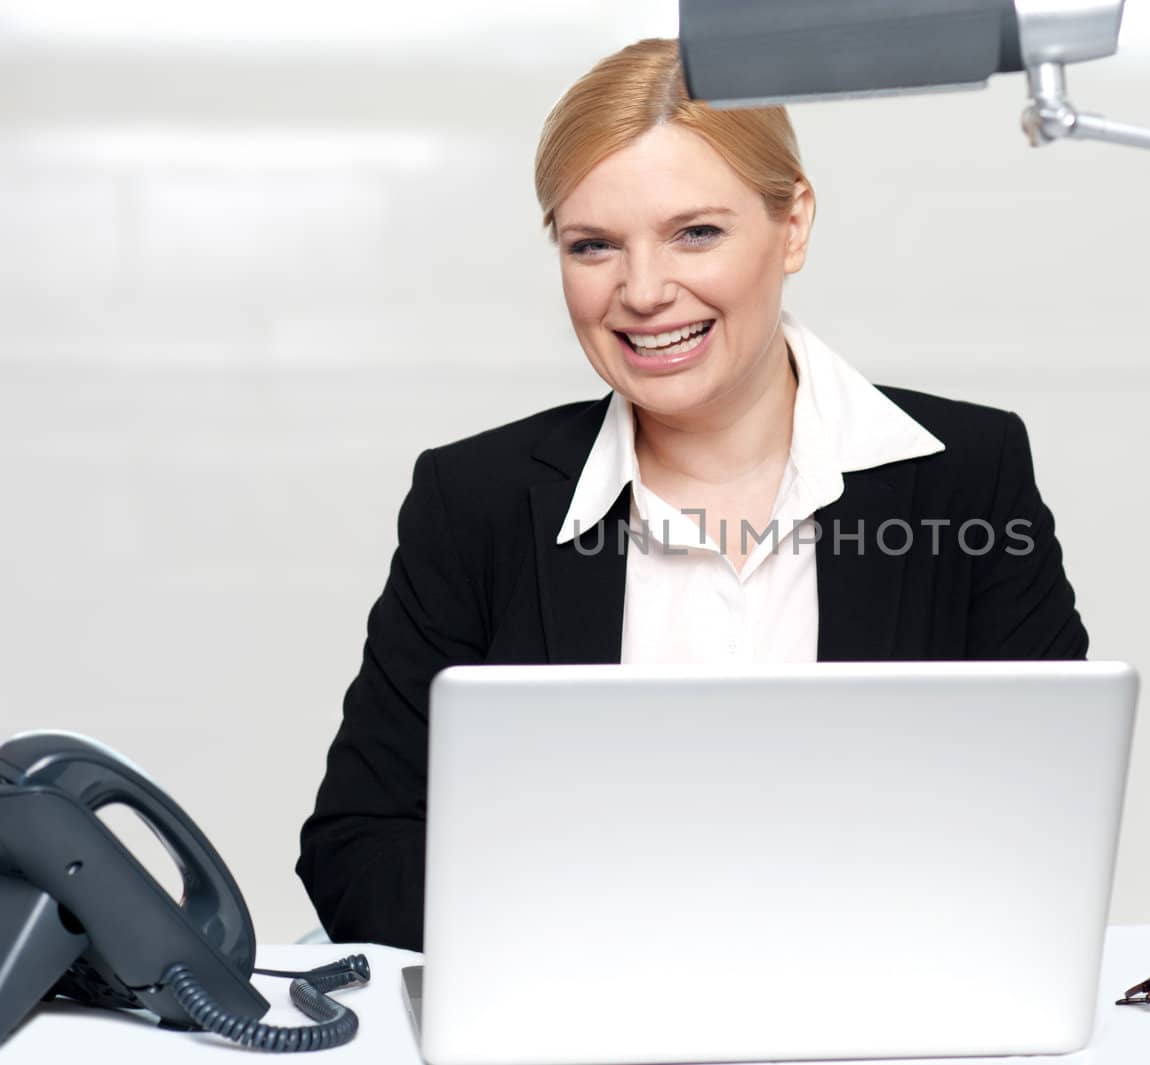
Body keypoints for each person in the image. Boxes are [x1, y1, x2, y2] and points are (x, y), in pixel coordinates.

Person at [297, 37, 1089, 952]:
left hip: (876, 1019)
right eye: (593, 246)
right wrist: (615, 935)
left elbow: (1046, 823)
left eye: (694, 233)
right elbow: (358, 844)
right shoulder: (473, 499)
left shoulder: (967, 477)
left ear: (792, 226)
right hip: (579, 1023)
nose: (641, 291)